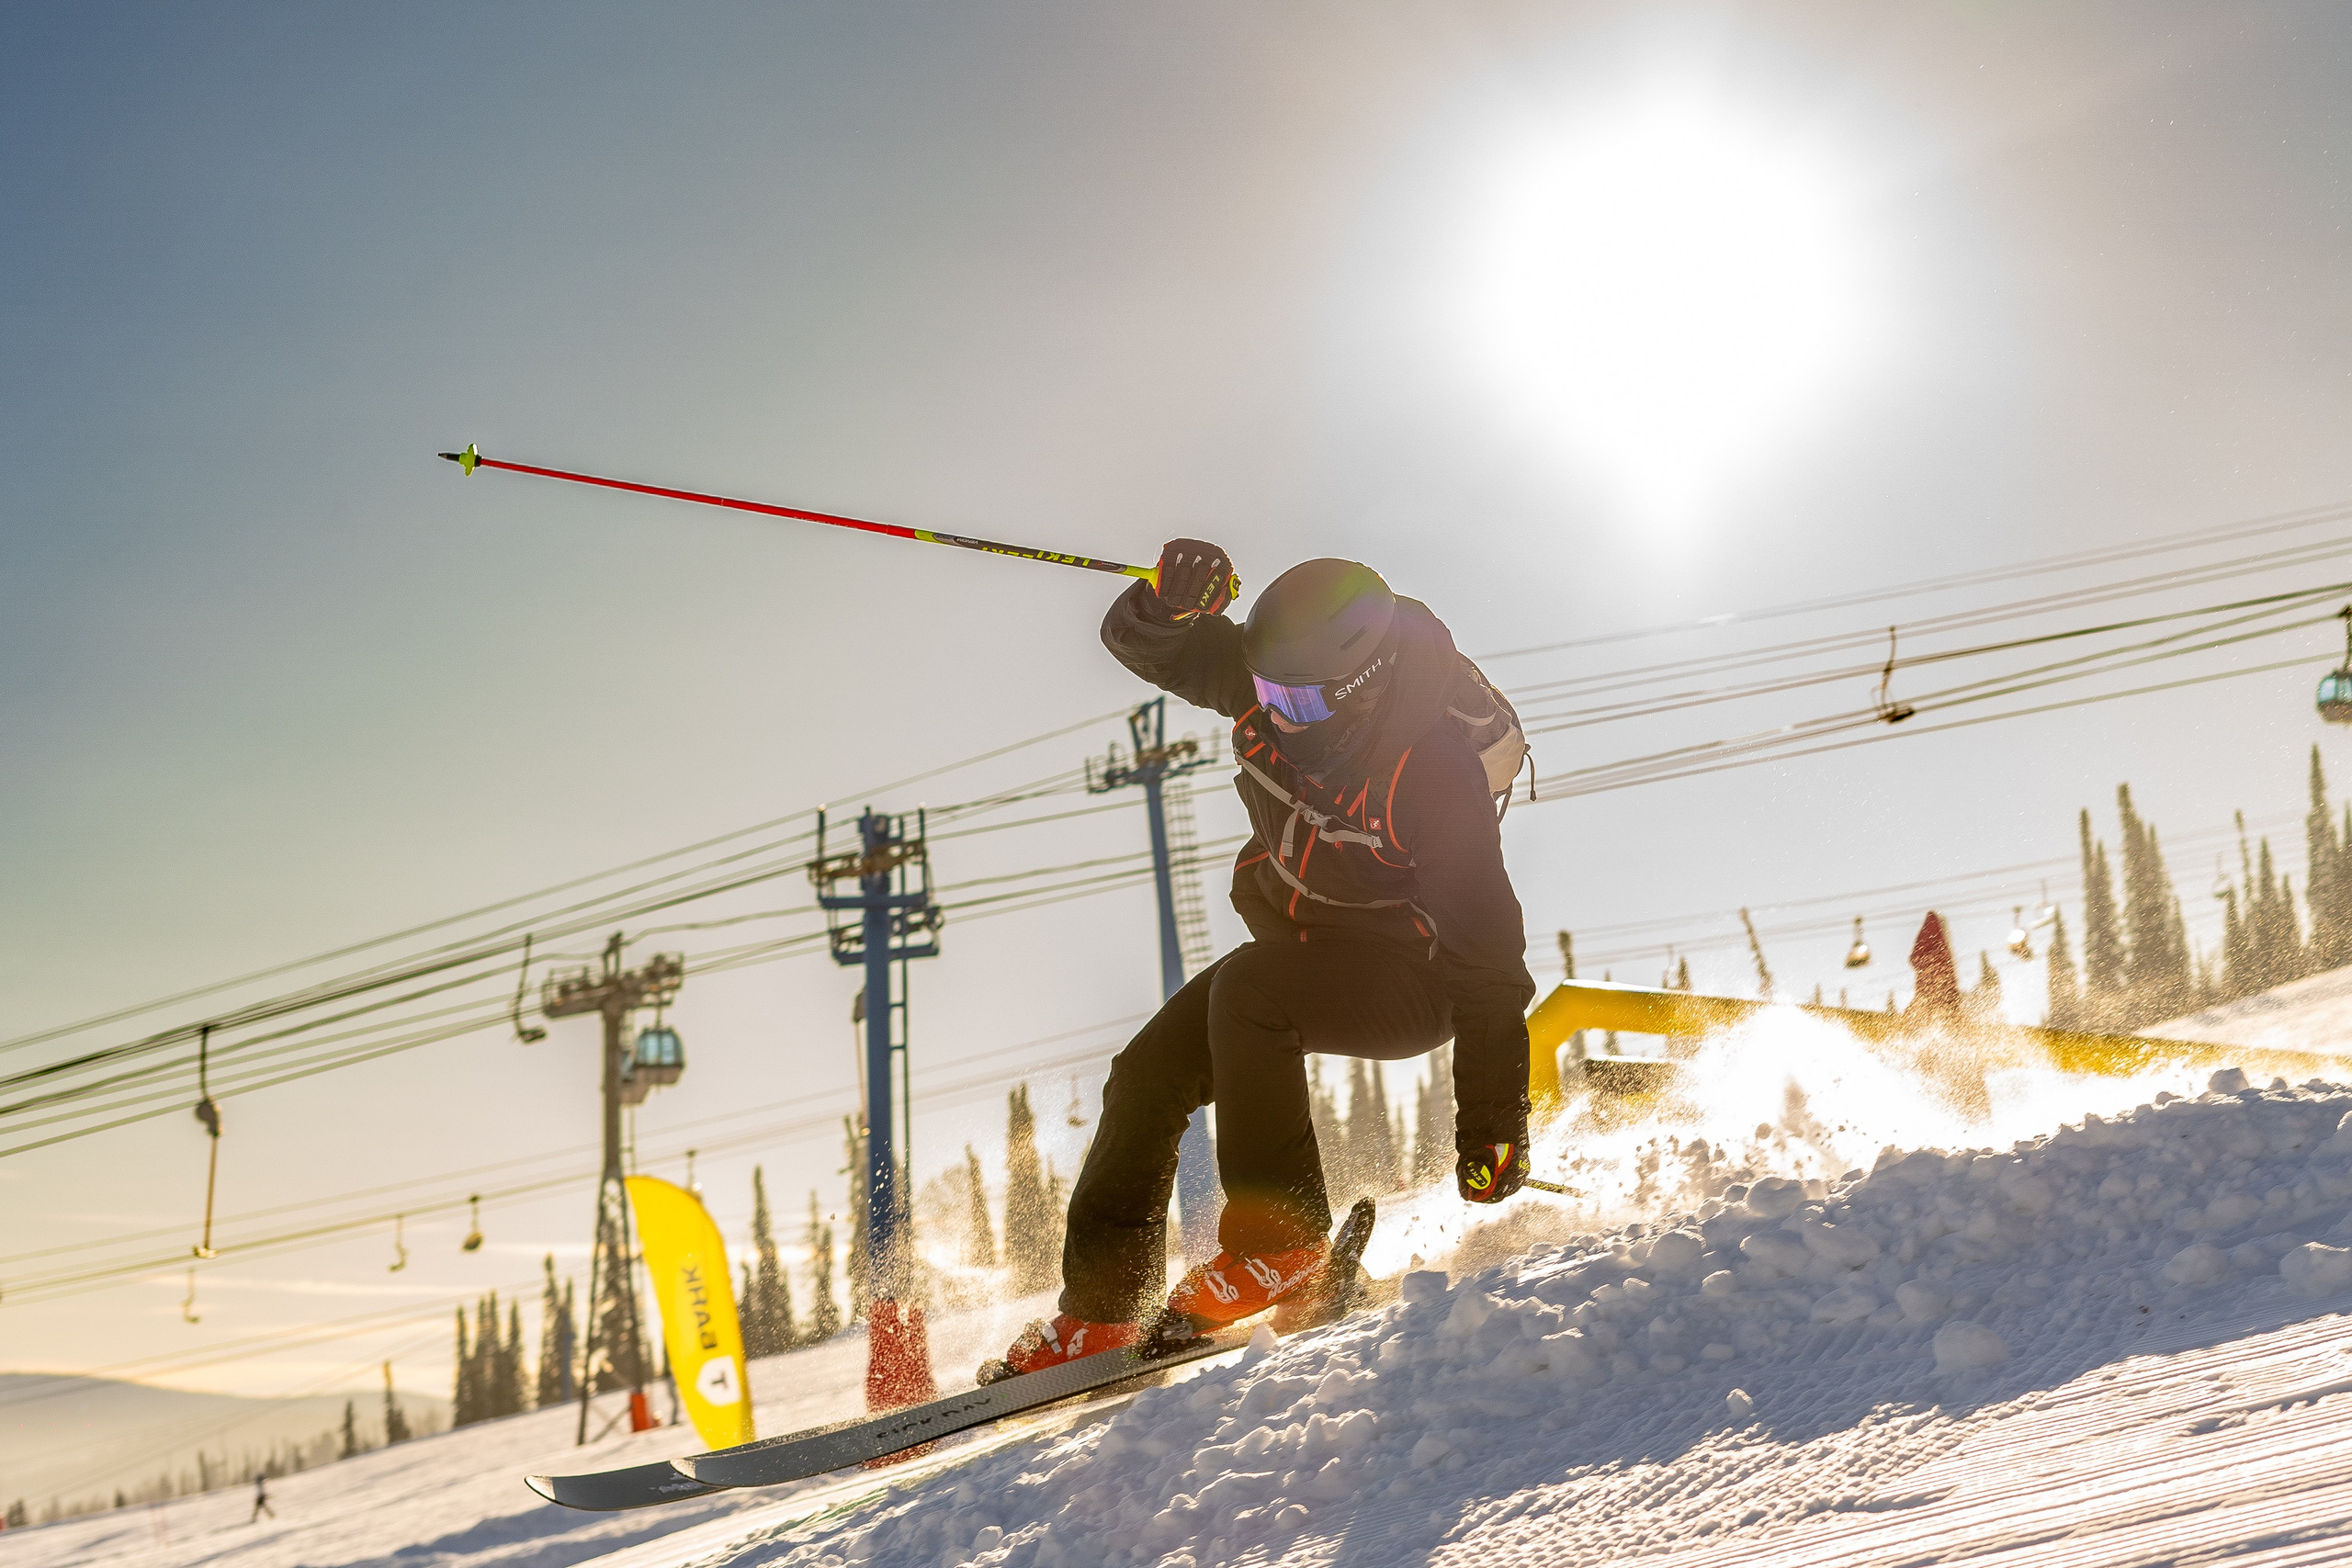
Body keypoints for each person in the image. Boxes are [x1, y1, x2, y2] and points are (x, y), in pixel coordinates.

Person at [988, 542, 1535, 1378]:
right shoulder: (1276, 685)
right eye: (1267, 692)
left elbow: (1490, 962)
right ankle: (1102, 1313)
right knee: (1146, 1074)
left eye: (1297, 700)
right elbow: (1150, 645)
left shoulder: (1432, 774)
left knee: (1250, 991)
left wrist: (1494, 1127)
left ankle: (1284, 1247)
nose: (1276, 713)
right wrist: (1168, 603)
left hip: (1416, 977)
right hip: (1310, 951)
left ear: (1362, 687)